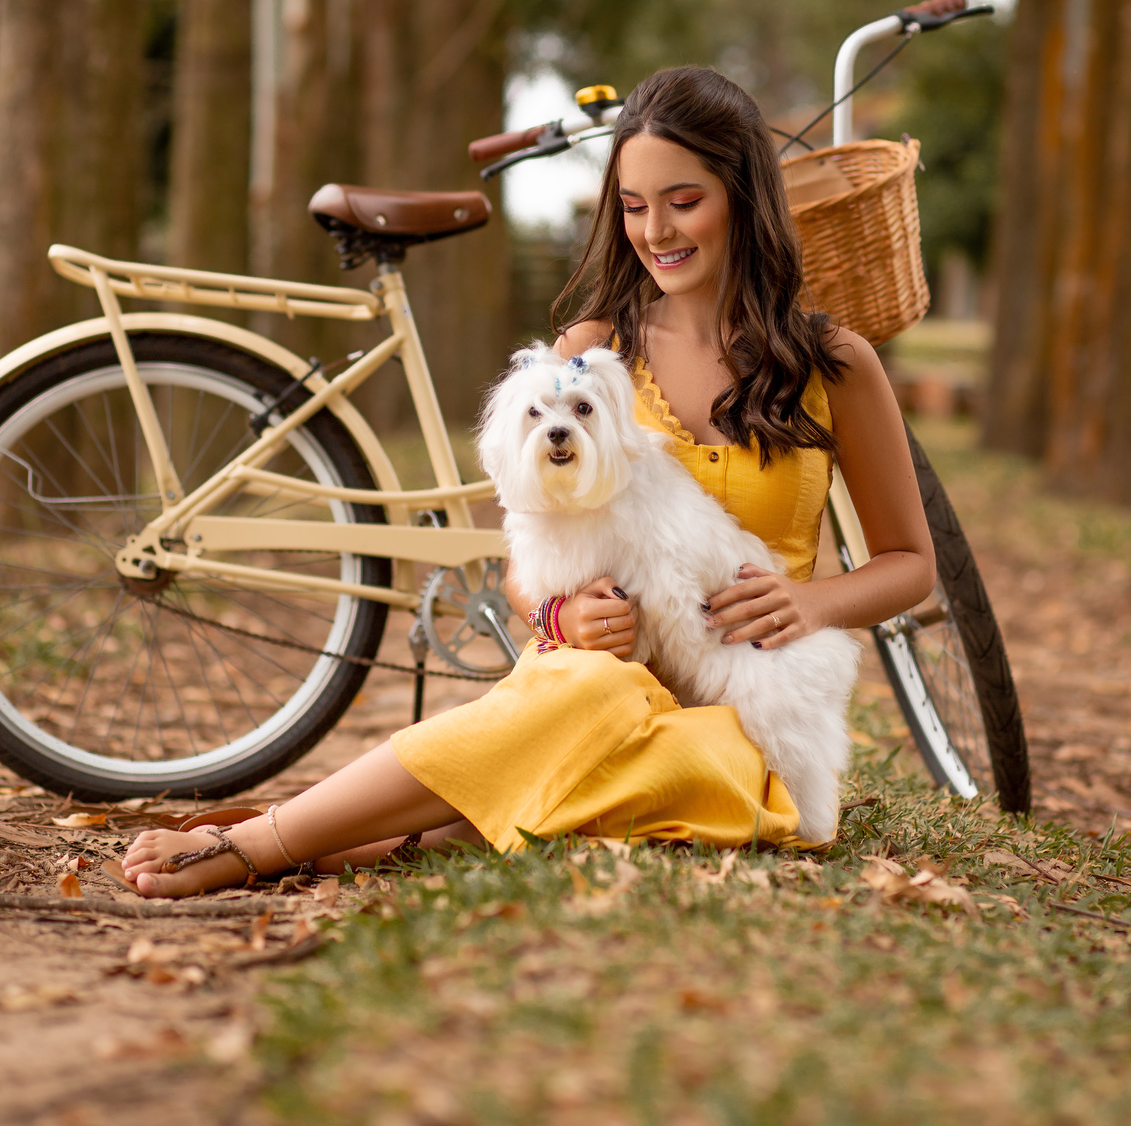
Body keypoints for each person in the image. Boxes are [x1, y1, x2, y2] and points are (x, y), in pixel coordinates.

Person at [121, 68, 934, 898]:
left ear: (743, 196)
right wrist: (560, 615)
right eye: (633, 205)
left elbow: (911, 562)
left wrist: (813, 603)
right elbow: (526, 551)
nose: (657, 230)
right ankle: (270, 840)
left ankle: (319, 841)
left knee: (663, 758)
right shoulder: (593, 352)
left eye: (684, 200)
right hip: (590, 682)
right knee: (591, 693)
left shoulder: (832, 362)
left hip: (742, 713)